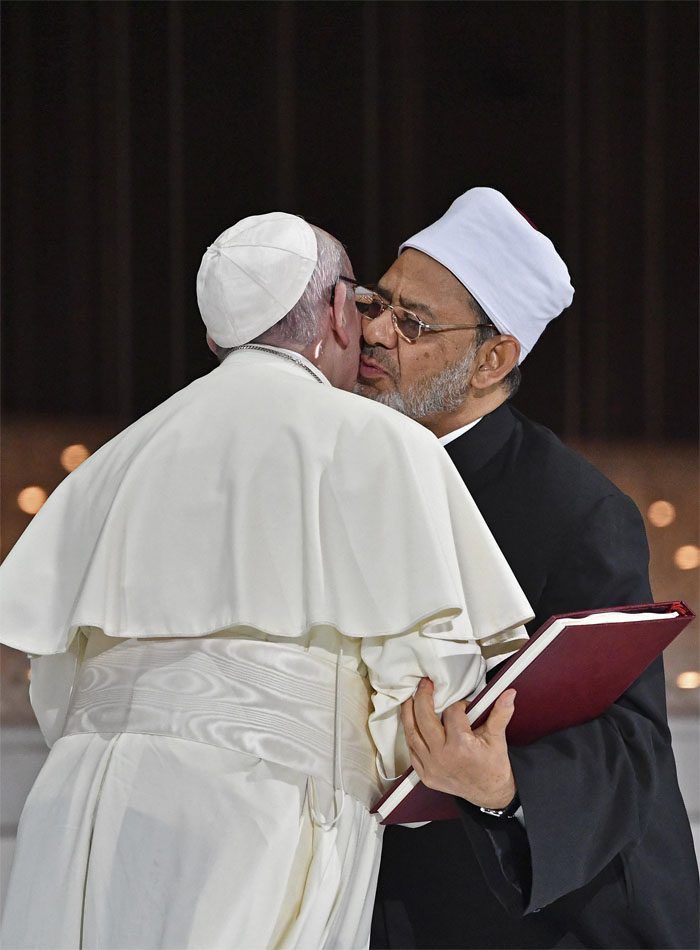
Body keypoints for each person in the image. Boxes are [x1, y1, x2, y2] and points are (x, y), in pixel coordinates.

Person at [0, 211, 534, 950]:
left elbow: (56, 679)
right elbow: (424, 691)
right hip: (260, 811)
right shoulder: (383, 443)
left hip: (83, 807)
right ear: (337, 315)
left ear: (220, 335)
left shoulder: (118, 457)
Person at [358, 188, 700, 949]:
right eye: (376, 303)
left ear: (493, 360)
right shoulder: (344, 463)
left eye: (410, 322)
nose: (374, 332)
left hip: (550, 918)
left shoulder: (575, 511)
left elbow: (630, 744)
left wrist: (502, 784)